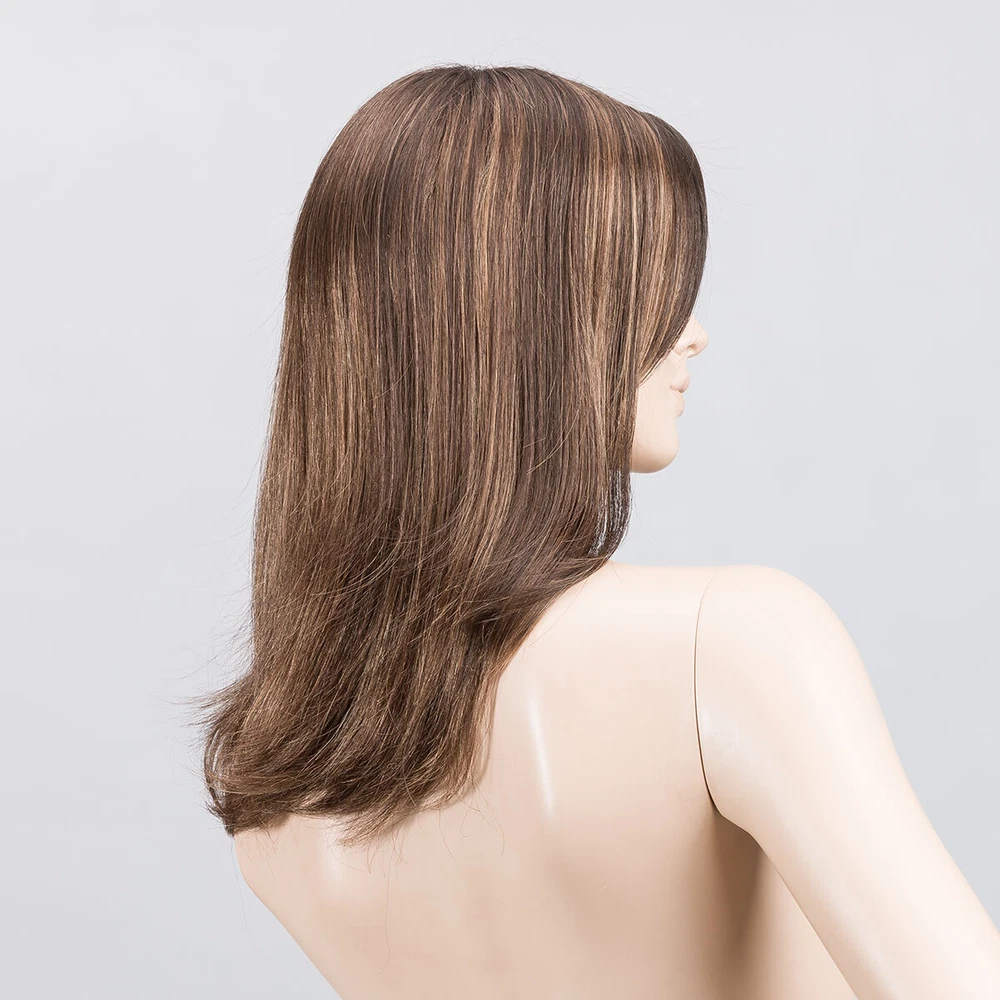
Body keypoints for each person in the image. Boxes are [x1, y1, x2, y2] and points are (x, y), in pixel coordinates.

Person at [198, 64, 1000, 999]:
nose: (693, 333)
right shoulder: (729, 646)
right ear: (537, 317)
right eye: (652, 288)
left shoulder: (279, 782)